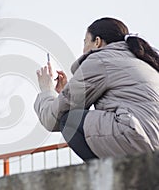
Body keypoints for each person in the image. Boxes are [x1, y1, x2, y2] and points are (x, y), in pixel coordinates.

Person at [34, 17, 159, 162]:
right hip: (151, 140)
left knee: (69, 121)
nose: (83, 49)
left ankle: (103, 175)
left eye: (85, 42)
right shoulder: (142, 60)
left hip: (138, 138)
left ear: (97, 42)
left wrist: (46, 90)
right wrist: (64, 93)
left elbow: (52, 119)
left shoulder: (101, 60)